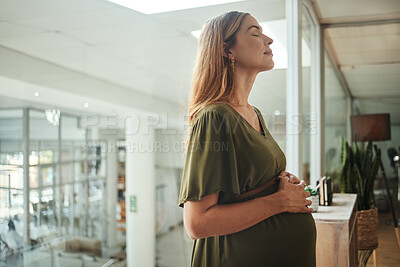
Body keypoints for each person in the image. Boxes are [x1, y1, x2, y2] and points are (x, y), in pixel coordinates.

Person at [178, 11, 317, 267]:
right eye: (255, 33)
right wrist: (279, 201)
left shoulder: (254, 114)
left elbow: (249, 184)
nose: (269, 40)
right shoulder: (214, 117)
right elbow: (196, 224)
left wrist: (283, 184)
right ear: (227, 50)